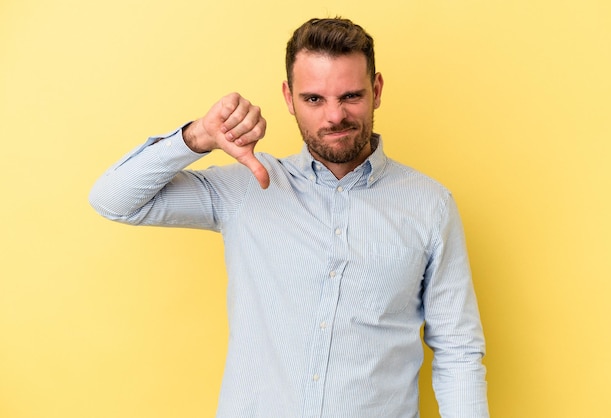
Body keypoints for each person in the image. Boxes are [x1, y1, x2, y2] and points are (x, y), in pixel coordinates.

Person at [90, 17, 489, 418]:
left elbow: (458, 351)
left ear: (377, 90)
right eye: (314, 99)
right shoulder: (247, 189)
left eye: (350, 96)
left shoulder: (430, 205)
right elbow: (114, 199)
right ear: (288, 97)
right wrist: (196, 137)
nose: (334, 117)